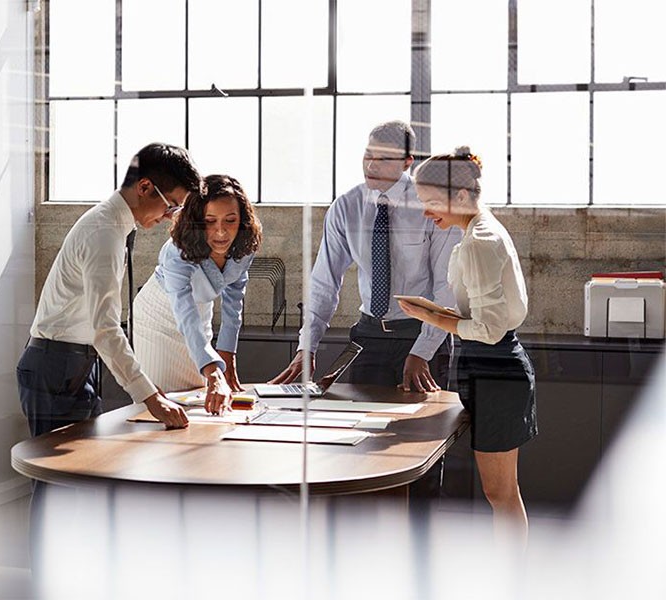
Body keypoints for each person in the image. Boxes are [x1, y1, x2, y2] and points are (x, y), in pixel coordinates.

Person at [398, 146, 538, 543]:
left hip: (496, 367)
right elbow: (483, 314)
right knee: (502, 493)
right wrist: (437, 312)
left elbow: (490, 329)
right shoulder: (478, 230)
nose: (426, 213)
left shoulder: (479, 240)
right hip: (489, 366)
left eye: (430, 202)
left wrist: (431, 317)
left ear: (460, 196)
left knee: (501, 493)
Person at [16, 142, 202, 436]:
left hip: (74, 363)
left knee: (80, 474)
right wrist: (150, 397)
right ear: (144, 187)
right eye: (172, 205)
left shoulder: (113, 227)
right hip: (56, 366)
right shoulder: (104, 233)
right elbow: (105, 327)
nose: (171, 216)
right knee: (59, 477)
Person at [270, 120, 461, 392]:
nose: (371, 166)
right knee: (360, 421)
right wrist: (307, 347)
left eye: (383, 159)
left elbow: (447, 286)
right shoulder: (346, 207)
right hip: (369, 336)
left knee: (420, 429)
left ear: (407, 162)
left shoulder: (431, 206)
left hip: (421, 334)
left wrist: (424, 350)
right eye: (368, 155)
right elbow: (325, 282)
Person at [133, 174, 263, 414]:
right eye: (210, 221)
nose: (221, 232)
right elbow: (183, 311)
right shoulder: (178, 251)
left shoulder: (245, 243)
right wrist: (213, 370)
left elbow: (234, 297)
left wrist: (227, 355)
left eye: (230, 220)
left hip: (200, 313)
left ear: (242, 220)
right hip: (159, 316)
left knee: (201, 402)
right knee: (163, 406)